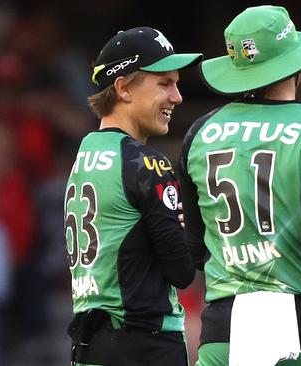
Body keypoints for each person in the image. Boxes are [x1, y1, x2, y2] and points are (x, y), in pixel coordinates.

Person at [177, 6, 301, 366]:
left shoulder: (200, 131)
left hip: (221, 334)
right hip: (299, 334)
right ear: (297, 64)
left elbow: (194, 249)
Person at [64, 27, 202, 366]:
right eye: (164, 83)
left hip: (89, 343)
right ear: (124, 88)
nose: (177, 96)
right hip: (145, 345)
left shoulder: (84, 154)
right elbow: (182, 272)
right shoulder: (146, 163)